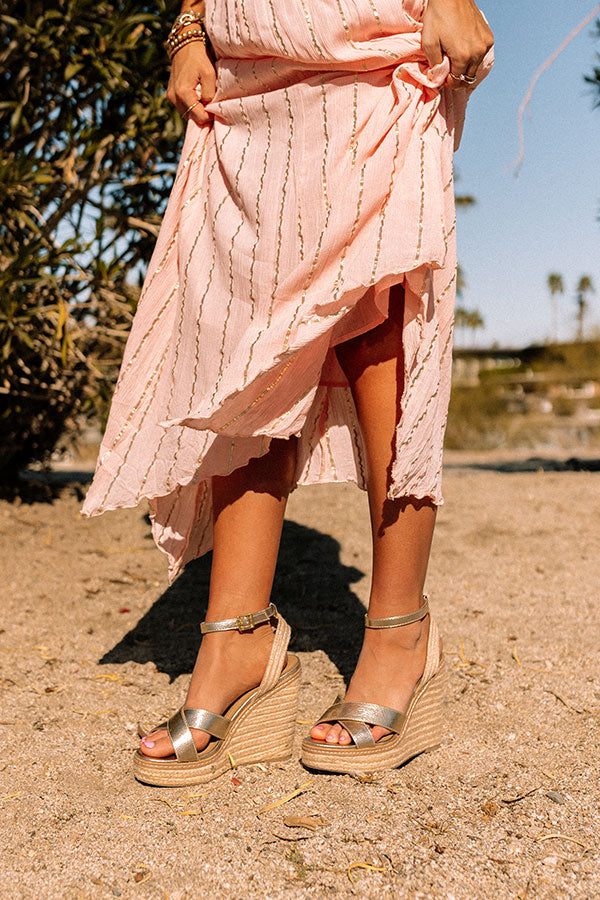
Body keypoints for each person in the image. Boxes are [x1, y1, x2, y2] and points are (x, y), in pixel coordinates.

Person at [81, 0, 493, 785]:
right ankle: (237, 641)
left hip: (374, 41)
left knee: (381, 312)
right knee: (248, 336)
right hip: (248, 66)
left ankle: (400, 634)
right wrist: (190, 27)